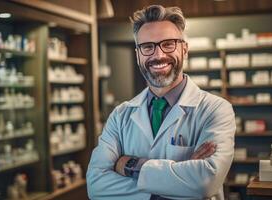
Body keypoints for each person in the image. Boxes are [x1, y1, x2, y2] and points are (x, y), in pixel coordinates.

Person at [87, 4, 235, 200]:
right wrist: (179, 181)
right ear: (138, 54)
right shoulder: (120, 115)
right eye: (147, 47)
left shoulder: (215, 110)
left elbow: (205, 183)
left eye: (168, 44)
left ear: (185, 50)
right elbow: (96, 186)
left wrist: (128, 165)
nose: (158, 55)